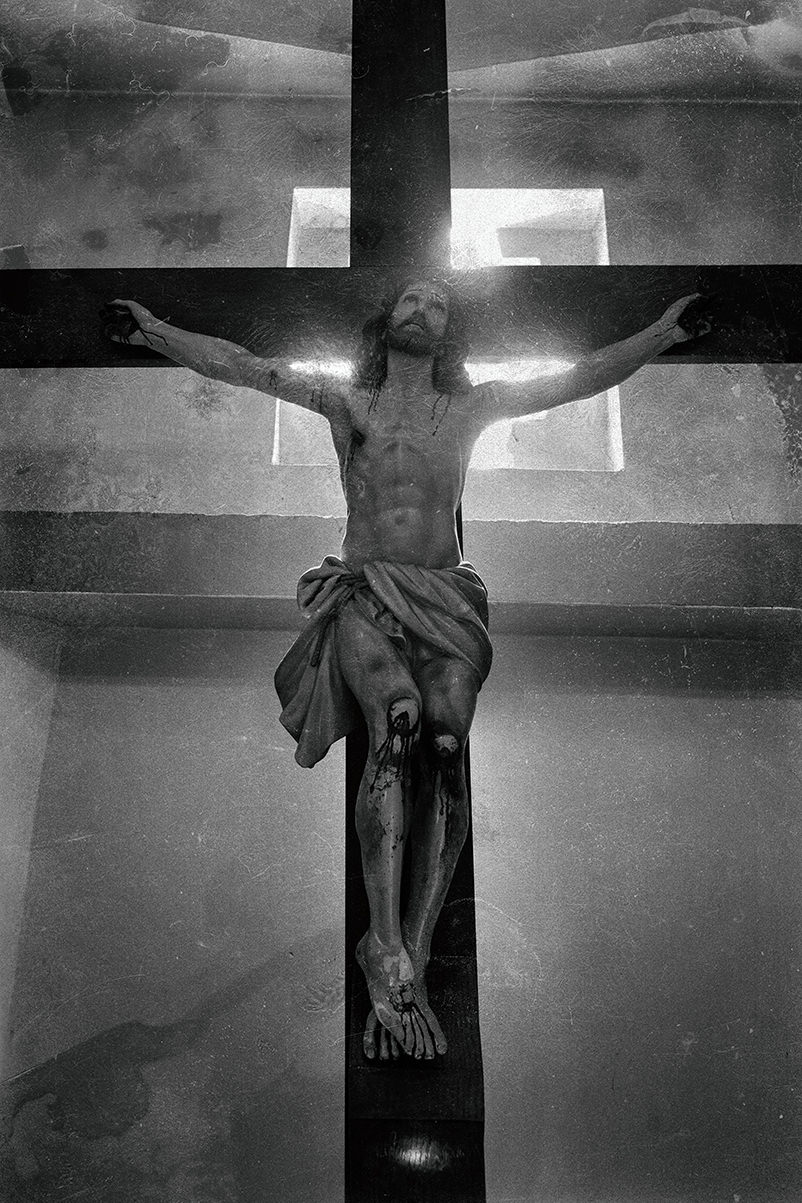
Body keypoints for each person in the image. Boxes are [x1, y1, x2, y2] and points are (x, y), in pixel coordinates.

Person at [106, 281, 707, 1062]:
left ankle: (411, 952)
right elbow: (246, 367)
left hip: (447, 599)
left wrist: (661, 335)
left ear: (450, 332)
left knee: (447, 749)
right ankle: (382, 940)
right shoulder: (346, 401)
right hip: (368, 591)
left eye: (439, 306)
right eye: (412, 300)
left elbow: (575, 378)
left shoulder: (471, 409)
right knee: (398, 717)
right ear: (386, 319)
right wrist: (154, 331)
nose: (424, 310)